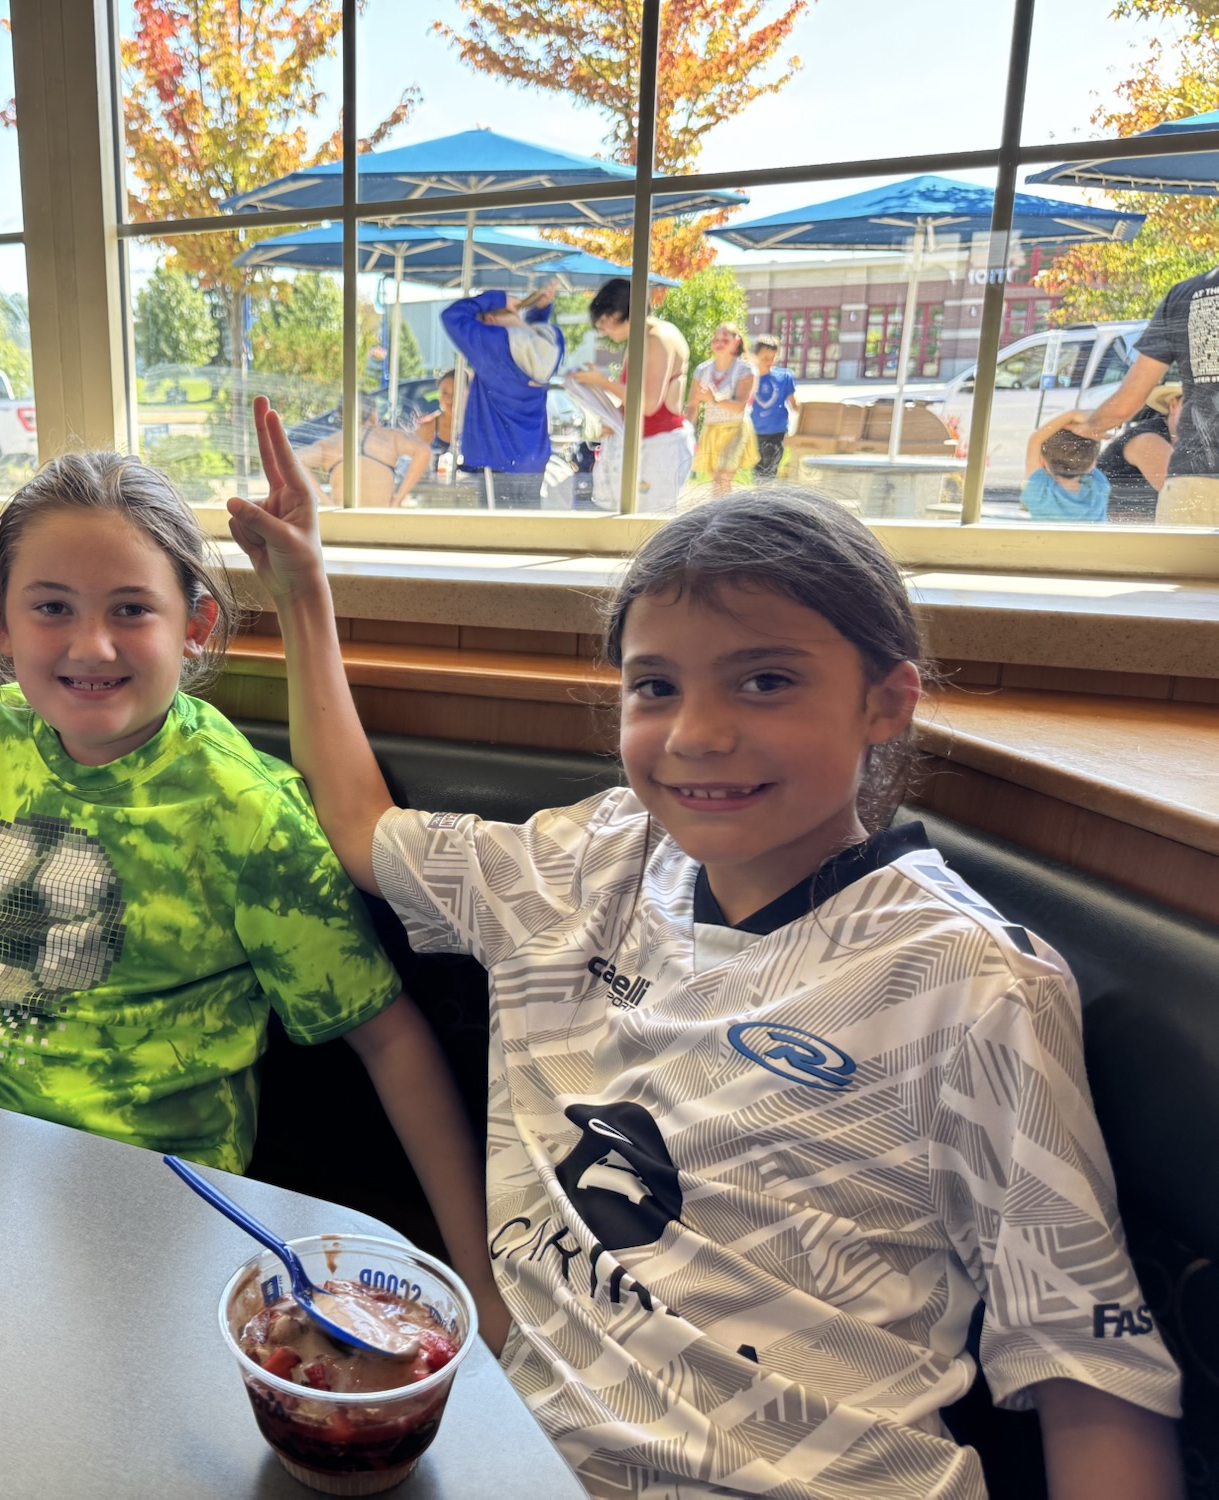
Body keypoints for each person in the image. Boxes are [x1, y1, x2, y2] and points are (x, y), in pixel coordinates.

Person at [227, 397, 1183, 1499]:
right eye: (655, 687)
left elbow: (1087, 1371)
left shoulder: (969, 980)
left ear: (885, 702)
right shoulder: (583, 861)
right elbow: (361, 831)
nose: (696, 734)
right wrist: (303, 592)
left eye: (765, 680)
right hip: (512, 1454)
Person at [0, 451, 505, 1340]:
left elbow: (389, 1038)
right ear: (3, 623)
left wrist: (476, 1278)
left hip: (136, 1206)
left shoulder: (244, 813)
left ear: (195, 624)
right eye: (52, 607)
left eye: (131, 609)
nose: (90, 645)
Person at [1074, 261, 1219, 525]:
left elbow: (1126, 403)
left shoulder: (1186, 294)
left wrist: (1086, 428)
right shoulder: (1146, 436)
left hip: (1198, 481)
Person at [566, 277, 694, 511]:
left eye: (602, 321)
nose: (601, 330)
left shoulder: (657, 338)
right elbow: (636, 400)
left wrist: (601, 382)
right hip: (648, 442)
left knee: (649, 522)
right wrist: (614, 416)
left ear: (617, 313)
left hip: (660, 446)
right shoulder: (642, 338)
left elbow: (648, 404)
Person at [439, 283, 564, 508]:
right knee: (527, 525)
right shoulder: (552, 342)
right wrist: (539, 312)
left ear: (489, 320)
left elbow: (452, 316)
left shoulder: (494, 344)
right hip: (533, 457)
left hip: (497, 457)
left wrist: (499, 299)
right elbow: (529, 332)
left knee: (497, 528)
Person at [296, 396, 432, 507]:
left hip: (342, 517)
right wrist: (398, 499)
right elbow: (424, 451)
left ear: (341, 415)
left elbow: (296, 460)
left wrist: (325, 500)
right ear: (373, 413)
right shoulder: (390, 437)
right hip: (381, 517)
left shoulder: (331, 443)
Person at [688, 321, 757, 495]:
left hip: (735, 429)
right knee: (716, 480)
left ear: (736, 341)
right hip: (711, 429)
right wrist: (687, 430)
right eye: (716, 339)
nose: (719, 343)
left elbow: (740, 406)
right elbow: (692, 405)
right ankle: (721, 508)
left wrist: (714, 399)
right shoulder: (702, 370)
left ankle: (724, 510)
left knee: (723, 477)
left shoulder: (745, 369)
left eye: (724, 339)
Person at [1098, 382, 1182, 523]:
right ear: (1174, 405)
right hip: (1119, 529)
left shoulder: (1197, 441)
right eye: (1199, 404)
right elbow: (1182, 493)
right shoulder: (1147, 438)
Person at [1023, 409, 1109, 522]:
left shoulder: (1039, 492)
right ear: (1092, 464)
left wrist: (1072, 415)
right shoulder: (1098, 485)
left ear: (1042, 460)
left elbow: (1035, 440)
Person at [747, 336, 799, 482]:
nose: (769, 362)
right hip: (754, 430)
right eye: (765, 358)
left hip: (777, 430)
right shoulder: (748, 377)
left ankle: (765, 492)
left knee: (770, 467)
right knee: (758, 468)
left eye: (773, 358)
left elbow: (794, 404)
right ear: (755, 356)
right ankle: (760, 493)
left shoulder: (784, 376)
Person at [416, 368, 457, 453]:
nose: (450, 398)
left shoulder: (478, 427)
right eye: (445, 393)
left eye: (456, 393)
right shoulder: (428, 427)